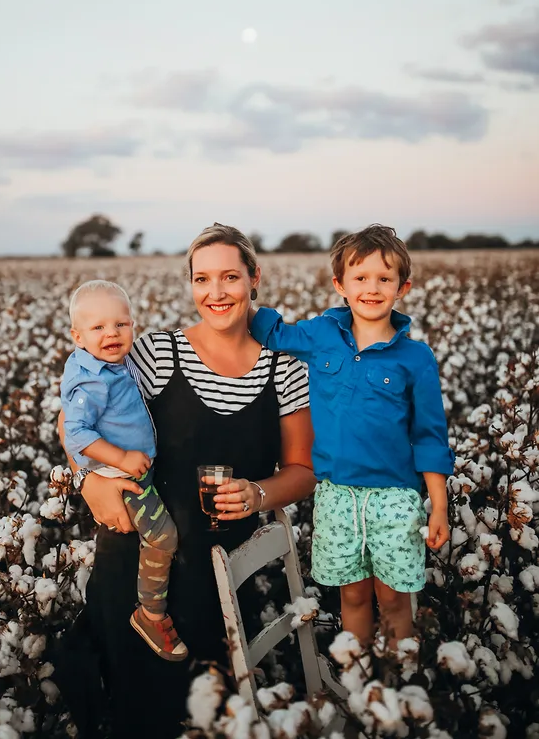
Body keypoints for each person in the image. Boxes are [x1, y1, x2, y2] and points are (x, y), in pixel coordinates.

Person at [56, 223, 315, 739]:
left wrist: (257, 493)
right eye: (201, 279)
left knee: (200, 710)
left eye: (229, 277)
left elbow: (303, 473)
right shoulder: (156, 353)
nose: (215, 293)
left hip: (216, 570)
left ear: (254, 278)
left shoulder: (285, 367)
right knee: (134, 709)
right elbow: (73, 417)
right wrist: (89, 482)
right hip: (135, 558)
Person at [250, 224, 455, 649]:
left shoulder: (416, 358)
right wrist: (240, 293)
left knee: (395, 600)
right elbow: (273, 333)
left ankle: (398, 694)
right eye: (360, 278)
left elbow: (430, 436)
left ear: (404, 287)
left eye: (385, 278)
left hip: (395, 500)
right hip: (335, 496)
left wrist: (439, 507)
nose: (372, 288)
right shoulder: (322, 334)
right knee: (353, 596)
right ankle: (361, 686)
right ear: (340, 285)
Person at [61, 279, 187, 661]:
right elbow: (76, 432)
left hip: (133, 470)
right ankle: (151, 614)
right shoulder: (91, 378)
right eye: (98, 328)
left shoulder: (110, 362)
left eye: (121, 324)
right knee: (163, 539)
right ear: (77, 336)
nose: (112, 334)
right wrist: (120, 459)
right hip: (123, 478)